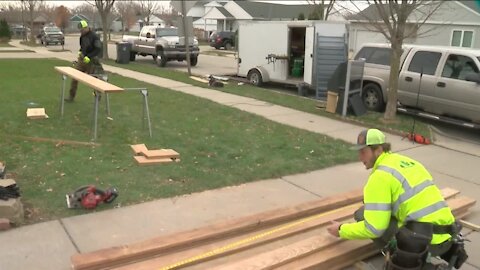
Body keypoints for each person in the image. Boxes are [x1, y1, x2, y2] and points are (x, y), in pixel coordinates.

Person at [327, 129, 467, 270]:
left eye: (363, 152)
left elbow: (373, 229)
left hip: (425, 243)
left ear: (378, 150)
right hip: (449, 235)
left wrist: (340, 229)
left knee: (362, 215)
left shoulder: (380, 177)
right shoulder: (406, 162)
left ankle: (409, 260)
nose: (360, 157)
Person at [65, 20, 102, 102]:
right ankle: (71, 96)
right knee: (75, 77)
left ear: (87, 28)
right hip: (82, 60)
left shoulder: (94, 36)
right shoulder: (82, 36)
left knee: (94, 79)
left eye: (82, 30)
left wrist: (89, 57)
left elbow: (98, 49)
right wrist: (80, 52)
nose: (81, 32)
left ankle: (98, 95)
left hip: (92, 60)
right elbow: (82, 47)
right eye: (80, 30)